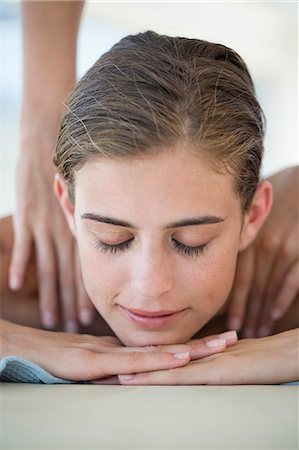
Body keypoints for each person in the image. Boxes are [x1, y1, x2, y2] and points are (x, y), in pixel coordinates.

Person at [1, 31, 298, 385]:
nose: (150, 286)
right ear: (68, 206)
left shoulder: (286, 278)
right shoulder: (22, 273)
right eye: (112, 238)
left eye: (191, 241)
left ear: (254, 214)